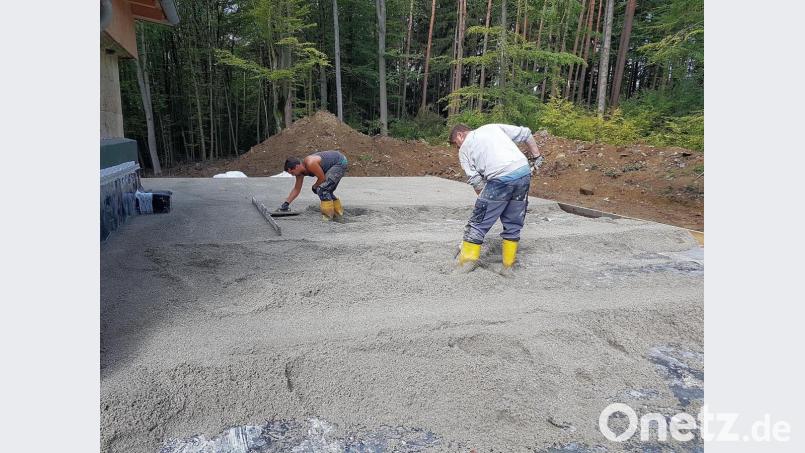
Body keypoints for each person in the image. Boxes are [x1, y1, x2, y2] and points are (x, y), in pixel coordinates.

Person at [449, 123, 544, 271]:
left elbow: (476, 182)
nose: (458, 148)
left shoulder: (464, 149)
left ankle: (465, 265)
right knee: (513, 223)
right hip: (523, 173)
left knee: (477, 224)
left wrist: (483, 204)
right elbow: (526, 133)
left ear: (460, 135)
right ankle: (508, 266)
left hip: (500, 178)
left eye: (456, 144)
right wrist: (537, 156)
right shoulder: (491, 127)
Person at [278, 150, 349, 220]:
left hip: (339, 162)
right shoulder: (299, 172)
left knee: (322, 189)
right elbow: (297, 189)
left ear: (297, 166)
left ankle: (328, 217)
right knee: (327, 190)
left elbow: (322, 178)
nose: (293, 175)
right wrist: (286, 204)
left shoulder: (310, 163)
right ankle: (338, 213)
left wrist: (314, 186)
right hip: (333, 164)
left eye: (292, 173)